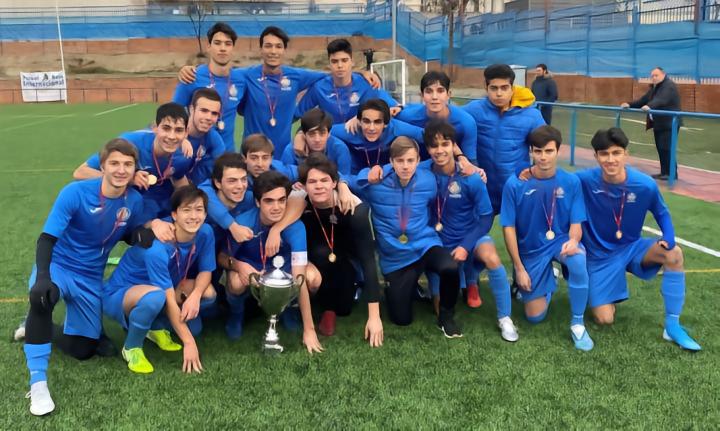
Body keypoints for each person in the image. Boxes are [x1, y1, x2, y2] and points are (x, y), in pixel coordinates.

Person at [22, 139, 157, 416]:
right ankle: (38, 383)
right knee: (43, 297)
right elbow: (46, 239)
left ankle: (35, 328)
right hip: (60, 265)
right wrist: (43, 276)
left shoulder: (134, 200)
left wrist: (138, 236)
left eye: (128, 164)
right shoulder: (75, 192)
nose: (121, 170)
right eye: (114, 163)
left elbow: (126, 231)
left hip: (90, 276)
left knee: (84, 349)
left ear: (135, 169)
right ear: (102, 166)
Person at [577, 127, 700, 351]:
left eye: (616, 153)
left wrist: (669, 237)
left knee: (674, 254)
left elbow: (661, 213)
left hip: (632, 247)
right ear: (595, 156)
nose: (610, 160)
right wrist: (529, 173)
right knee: (604, 319)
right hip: (599, 255)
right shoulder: (584, 180)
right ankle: (608, 292)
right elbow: (557, 181)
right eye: (604, 154)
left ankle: (672, 326)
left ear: (626, 153)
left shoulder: (644, 184)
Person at [350, 137, 462, 338]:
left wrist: (471, 166)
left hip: (425, 246)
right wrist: (342, 187)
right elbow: (343, 179)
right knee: (401, 319)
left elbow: (451, 173)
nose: (405, 166)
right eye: (400, 161)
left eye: (410, 160)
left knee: (450, 266)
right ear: (391, 161)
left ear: (418, 160)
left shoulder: (428, 179)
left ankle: (446, 317)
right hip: (396, 257)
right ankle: (406, 287)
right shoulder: (374, 181)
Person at [421, 120, 518, 342]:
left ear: (453, 146)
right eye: (434, 146)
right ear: (427, 149)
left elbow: (485, 217)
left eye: (445, 144)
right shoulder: (421, 171)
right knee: (439, 308)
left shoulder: (470, 176)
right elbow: (396, 168)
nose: (439, 150)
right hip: (437, 242)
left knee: (491, 257)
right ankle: (463, 281)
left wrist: (466, 246)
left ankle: (505, 318)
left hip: (469, 236)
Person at [103, 185, 216, 374]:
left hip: (162, 288)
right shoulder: (158, 247)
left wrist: (195, 295)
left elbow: (205, 271)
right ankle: (131, 348)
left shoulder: (205, 232)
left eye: (199, 210)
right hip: (122, 293)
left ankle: (153, 327)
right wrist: (189, 342)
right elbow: (169, 299)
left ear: (205, 214)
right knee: (156, 298)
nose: (193, 216)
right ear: (174, 215)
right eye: (186, 210)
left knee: (208, 293)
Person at [502, 125, 593, 351]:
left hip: (559, 240)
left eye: (549, 151)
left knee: (578, 258)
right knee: (534, 316)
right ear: (531, 152)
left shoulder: (571, 182)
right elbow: (508, 228)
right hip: (531, 249)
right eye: (538, 151)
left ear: (558, 151)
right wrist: (519, 268)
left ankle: (578, 324)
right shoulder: (515, 183)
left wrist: (574, 240)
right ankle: (548, 281)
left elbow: (576, 223)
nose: (543, 157)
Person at [217, 171, 325, 353]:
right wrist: (239, 265)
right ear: (258, 202)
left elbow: (299, 277)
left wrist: (309, 330)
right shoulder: (243, 223)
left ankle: (289, 309)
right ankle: (236, 315)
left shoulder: (295, 227)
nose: (276, 207)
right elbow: (221, 257)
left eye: (281, 200)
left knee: (313, 278)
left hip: (285, 270)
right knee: (235, 282)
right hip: (253, 269)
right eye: (269, 201)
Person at [298, 153, 383, 346]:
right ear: (303, 186)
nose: (319, 186)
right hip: (313, 262)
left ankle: (349, 290)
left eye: (324, 180)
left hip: (344, 261)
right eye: (312, 182)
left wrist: (374, 317)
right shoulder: (299, 203)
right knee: (319, 257)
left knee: (344, 308)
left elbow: (368, 260)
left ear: (334, 183)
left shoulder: (354, 208)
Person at [73, 103, 195, 223]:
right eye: (166, 128)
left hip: (156, 200)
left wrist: (190, 206)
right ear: (155, 128)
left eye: (179, 130)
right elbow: (81, 172)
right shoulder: (129, 143)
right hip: (125, 201)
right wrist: (128, 178)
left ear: (186, 133)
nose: (172, 136)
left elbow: (179, 180)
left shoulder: (184, 155)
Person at [462, 64, 546, 214]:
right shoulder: (474, 110)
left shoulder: (531, 115)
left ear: (512, 88)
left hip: (516, 187)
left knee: (519, 228)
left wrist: (535, 171)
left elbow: (546, 145)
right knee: (477, 227)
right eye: (494, 88)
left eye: (504, 88)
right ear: (486, 87)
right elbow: (447, 121)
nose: (499, 93)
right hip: (483, 187)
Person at [173, 22, 246, 151]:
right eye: (217, 43)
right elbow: (173, 113)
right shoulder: (192, 76)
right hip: (197, 154)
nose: (222, 48)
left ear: (233, 48)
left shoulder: (241, 80)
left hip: (227, 154)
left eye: (228, 44)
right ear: (208, 47)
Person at [294, 38, 397, 124]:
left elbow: (395, 106)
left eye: (344, 60)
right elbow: (296, 113)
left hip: (359, 137)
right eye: (334, 61)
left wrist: (397, 108)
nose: (340, 65)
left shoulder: (367, 83)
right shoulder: (319, 88)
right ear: (329, 64)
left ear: (352, 62)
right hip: (332, 137)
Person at [395, 71, 478, 164]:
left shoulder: (465, 123)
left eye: (440, 91)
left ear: (449, 94)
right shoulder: (407, 117)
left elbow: (470, 162)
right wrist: (399, 108)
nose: (434, 97)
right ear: (422, 95)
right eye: (429, 91)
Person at [331, 98, 424, 174]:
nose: (371, 128)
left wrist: (401, 107)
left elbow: (428, 136)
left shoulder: (398, 129)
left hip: (389, 173)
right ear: (359, 121)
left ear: (386, 123)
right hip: (356, 174)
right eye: (366, 121)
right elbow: (325, 130)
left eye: (377, 122)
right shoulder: (349, 130)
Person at [621, 67, 682, 181]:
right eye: (652, 76)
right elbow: (643, 100)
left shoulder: (668, 86)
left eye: (656, 75)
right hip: (659, 123)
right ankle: (665, 172)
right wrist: (629, 104)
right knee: (661, 148)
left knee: (667, 148)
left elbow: (661, 100)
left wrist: (650, 106)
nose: (653, 78)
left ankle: (672, 174)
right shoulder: (655, 88)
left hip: (669, 123)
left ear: (663, 74)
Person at [282, 108, 352, 176]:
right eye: (311, 134)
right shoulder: (290, 150)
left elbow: (345, 178)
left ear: (329, 134)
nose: (317, 139)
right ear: (304, 134)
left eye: (322, 133)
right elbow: (285, 178)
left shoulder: (340, 149)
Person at [185, 88, 226, 185]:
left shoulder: (214, 138)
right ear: (191, 109)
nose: (209, 118)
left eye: (214, 113)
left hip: (193, 188)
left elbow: (223, 169)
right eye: (204, 111)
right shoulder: (172, 133)